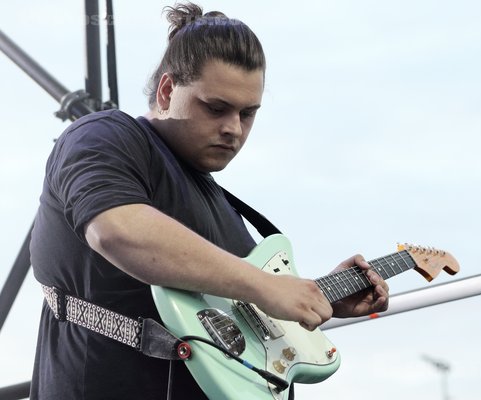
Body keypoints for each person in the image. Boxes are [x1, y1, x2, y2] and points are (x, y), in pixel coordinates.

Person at [29, 3, 389, 399]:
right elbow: (118, 231)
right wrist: (265, 287)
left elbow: (239, 311)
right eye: (216, 108)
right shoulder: (104, 135)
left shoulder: (224, 207)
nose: (233, 129)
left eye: (248, 114)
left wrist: (318, 298)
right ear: (167, 91)